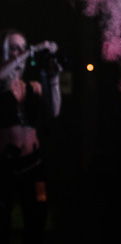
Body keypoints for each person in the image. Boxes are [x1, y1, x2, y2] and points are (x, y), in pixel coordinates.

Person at [0, 30, 61, 243]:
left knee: (37, 217)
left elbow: (53, 111)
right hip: (5, 167)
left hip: (33, 165)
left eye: (21, 48)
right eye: (13, 48)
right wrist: (33, 49)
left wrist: (54, 78)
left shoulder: (32, 87)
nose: (18, 52)